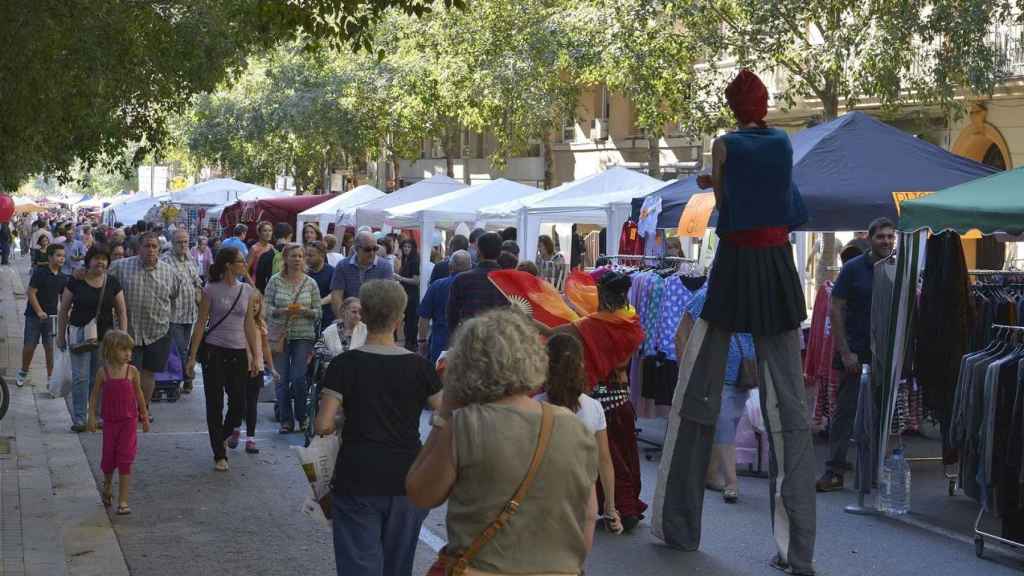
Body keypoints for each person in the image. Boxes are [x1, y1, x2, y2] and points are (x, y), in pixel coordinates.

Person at [651, 69, 815, 575]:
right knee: (789, 403)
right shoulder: (784, 142)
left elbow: (725, 203)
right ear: (764, 104)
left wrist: (715, 181)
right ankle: (798, 549)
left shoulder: (724, 145)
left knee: (697, 384)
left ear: (732, 106)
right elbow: (777, 197)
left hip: (738, 265)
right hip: (777, 268)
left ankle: (678, 526)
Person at [407, 309, 599, 576]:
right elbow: (588, 514)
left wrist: (444, 415)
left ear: (467, 363)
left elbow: (420, 493)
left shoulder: (465, 425)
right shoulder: (573, 427)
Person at [314, 280, 441, 576]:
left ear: (365, 316)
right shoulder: (421, 367)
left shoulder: (344, 364)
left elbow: (323, 425)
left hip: (357, 475)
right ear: (400, 319)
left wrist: (346, 420)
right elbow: (447, 416)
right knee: (399, 566)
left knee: (359, 564)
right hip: (408, 478)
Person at [547, 272, 647, 530]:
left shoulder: (589, 325)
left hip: (599, 401)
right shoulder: (632, 322)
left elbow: (554, 336)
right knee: (624, 457)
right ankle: (627, 505)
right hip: (623, 399)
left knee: (603, 458)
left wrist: (528, 322)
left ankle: (616, 508)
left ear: (602, 295)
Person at [817, 217, 896, 492]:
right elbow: (835, 309)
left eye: (890, 237)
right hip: (856, 351)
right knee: (846, 412)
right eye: (881, 237)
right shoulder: (853, 269)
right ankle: (835, 472)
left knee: (880, 414)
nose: (886, 241)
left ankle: (873, 473)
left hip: (886, 354)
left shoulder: (896, 268)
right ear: (870, 240)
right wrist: (845, 351)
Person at [675, 284, 755, 504]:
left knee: (729, 422)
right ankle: (732, 482)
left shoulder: (753, 294)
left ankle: (711, 474)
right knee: (725, 424)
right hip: (717, 372)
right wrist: (685, 372)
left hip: (744, 373)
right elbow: (681, 333)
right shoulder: (707, 295)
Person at [537, 332, 624, 534]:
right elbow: (604, 460)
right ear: (581, 367)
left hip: (541, 500)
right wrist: (610, 507)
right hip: (582, 501)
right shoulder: (594, 408)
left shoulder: (533, 407)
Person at [185, 247, 260, 471]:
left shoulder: (247, 290)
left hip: (237, 351)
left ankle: (222, 436)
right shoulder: (211, 289)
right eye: (240, 262)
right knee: (214, 402)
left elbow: (250, 324)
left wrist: (255, 356)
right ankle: (219, 453)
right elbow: (201, 323)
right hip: (214, 351)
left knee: (239, 403)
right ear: (228, 264)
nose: (244, 265)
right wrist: (191, 357)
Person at [58, 245, 128, 431]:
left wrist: (123, 336)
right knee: (80, 377)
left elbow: (121, 311)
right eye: (96, 258)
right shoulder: (76, 281)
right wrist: (60, 335)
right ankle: (80, 418)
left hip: (105, 339)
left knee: (98, 377)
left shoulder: (112, 282)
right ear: (88, 260)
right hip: (79, 335)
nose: (100, 262)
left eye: (104, 258)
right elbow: (64, 309)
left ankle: (95, 416)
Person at [109, 232, 182, 410]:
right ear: (138, 249)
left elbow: (173, 296)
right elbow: (101, 281)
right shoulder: (120, 267)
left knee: (149, 374)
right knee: (126, 373)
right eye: (146, 246)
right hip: (128, 331)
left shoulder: (169, 272)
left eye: (154, 246)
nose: (150, 250)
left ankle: (143, 409)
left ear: (159, 249)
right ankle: (126, 408)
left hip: (157, 331)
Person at [86, 330, 149, 515]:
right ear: (111, 350)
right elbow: (94, 397)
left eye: (130, 349)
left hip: (128, 422)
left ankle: (123, 500)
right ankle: (107, 485)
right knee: (108, 459)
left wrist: (144, 417)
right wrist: (91, 417)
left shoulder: (132, 372)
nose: (128, 353)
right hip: (110, 423)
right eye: (123, 349)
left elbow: (139, 395)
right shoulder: (103, 373)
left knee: (125, 459)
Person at [265, 243, 321, 433]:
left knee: (298, 378)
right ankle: (286, 420)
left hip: (303, 335)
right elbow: (265, 307)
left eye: (300, 256)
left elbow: (318, 312)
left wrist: (306, 311)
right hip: (280, 335)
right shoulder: (275, 281)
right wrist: (280, 311)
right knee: (281, 379)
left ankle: (302, 415)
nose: (297, 259)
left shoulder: (310, 283)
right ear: (285, 259)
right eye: (293, 256)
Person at [16, 243, 67, 388]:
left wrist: (65, 313)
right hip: (33, 315)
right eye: (58, 255)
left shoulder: (63, 277)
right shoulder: (40, 272)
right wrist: (38, 311)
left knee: (50, 348)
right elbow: (31, 293)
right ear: (50, 257)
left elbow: (64, 298)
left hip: (52, 318)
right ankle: (23, 371)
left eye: (63, 256)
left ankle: (51, 378)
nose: (61, 259)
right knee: (30, 346)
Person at [446, 232, 508, 339]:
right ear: (499, 252)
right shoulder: (508, 281)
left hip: (469, 340)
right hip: (500, 341)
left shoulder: (462, 279)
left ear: (478, 251)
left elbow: (452, 315)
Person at [163, 229, 202, 394]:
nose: (183, 245)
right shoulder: (165, 260)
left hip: (190, 313)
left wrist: (199, 290)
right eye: (179, 242)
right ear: (172, 243)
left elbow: (197, 280)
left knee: (185, 347)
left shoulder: (190, 259)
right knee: (180, 349)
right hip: (173, 314)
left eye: (186, 241)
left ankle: (181, 377)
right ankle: (186, 378)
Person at [417, 250, 470, 363]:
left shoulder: (437, 285)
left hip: (440, 343)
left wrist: (422, 340)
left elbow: (424, 317)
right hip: (467, 343)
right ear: (470, 267)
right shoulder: (475, 287)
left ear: (450, 267)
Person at [330, 230, 394, 320]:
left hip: (375, 320)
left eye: (375, 248)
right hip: (350, 318)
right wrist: (342, 320)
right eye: (367, 249)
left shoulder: (385, 266)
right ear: (356, 249)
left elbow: (388, 298)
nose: (372, 253)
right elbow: (336, 296)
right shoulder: (342, 266)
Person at [393, 238, 420, 350]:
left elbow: (416, 280)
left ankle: (411, 343)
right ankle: (409, 342)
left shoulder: (414, 261)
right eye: (404, 247)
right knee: (407, 319)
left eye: (409, 247)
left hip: (412, 294)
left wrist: (400, 278)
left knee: (411, 320)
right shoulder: (405, 260)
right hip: (405, 293)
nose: (406, 249)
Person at [255, 223, 293, 293]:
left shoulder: (265, 255)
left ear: (274, 236)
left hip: (272, 295)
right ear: (290, 236)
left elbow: (259, 282)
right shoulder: (295, 255)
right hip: (290, 296)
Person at [305, 241, 336, 327]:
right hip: (307, 319)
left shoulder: (332, 272)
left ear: (322, 255)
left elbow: (334, 293)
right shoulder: (304, 273)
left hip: (326, 318)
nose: (307, 258)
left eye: (311, 256)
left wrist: (319, 303)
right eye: (306, 255)